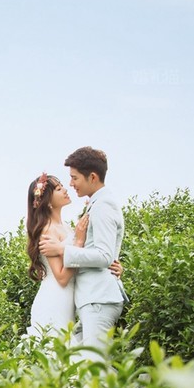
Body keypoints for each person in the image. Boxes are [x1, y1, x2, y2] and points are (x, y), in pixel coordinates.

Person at [37, 146, 128, 359]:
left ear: (92, 177)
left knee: (93, 364)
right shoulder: (96, 204)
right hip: (89, 298)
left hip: (98, 298)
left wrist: (61, 248)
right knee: (80, 359)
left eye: (74, 178)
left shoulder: (103, 205)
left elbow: (103, 255)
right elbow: (104, 253)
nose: (70, 184)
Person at [25, 171, 123, 339]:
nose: (65, 190)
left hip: (71, 299)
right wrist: (77, 243)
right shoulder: (47, 230)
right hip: (55, 298)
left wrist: (112, 266)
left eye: (62, 186)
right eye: (58, 189)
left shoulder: (67, 227)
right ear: (47, 201)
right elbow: (62, 278)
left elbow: (87, 254)